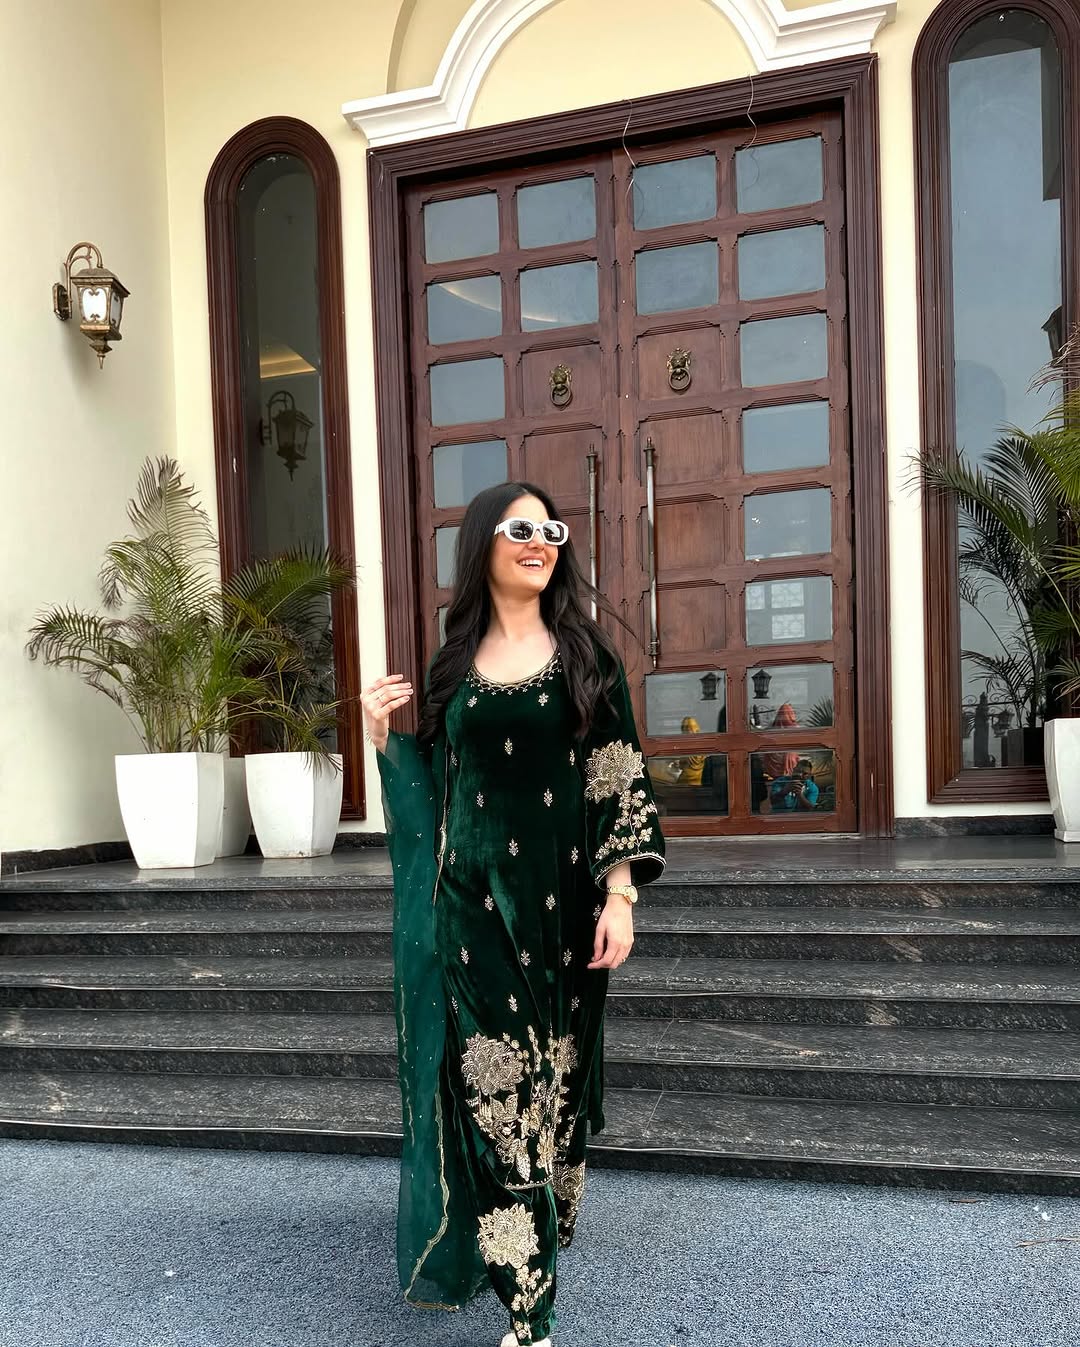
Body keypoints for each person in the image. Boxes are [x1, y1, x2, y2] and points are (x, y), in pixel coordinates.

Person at [363, 481, 667, 1347]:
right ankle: (529, 1310)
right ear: (483, 545)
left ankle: (544, 1234)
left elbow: (616, 777)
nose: (540, 542)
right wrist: (381, 736)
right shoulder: (450, 669)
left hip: (564, 920)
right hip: (469, 920)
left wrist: (620, 894)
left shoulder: (586, 659)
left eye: (551, 530)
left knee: (554, 1105)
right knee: (500, 1107)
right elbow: (428, 790)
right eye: (520, 528)